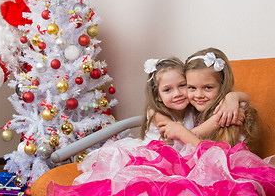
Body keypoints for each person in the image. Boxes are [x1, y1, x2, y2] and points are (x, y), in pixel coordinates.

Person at [47, 51, 275, 195]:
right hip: (154, 158)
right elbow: (189, 139)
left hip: (199, 160)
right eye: (169, 89)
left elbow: (199, 140)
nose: (185, 94)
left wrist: (233, 97)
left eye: (183, 86)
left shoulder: (218, 111)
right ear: (157, 96)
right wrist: (181, 130)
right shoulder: (157, 113)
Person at [158, 48, 260, 153]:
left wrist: (182, 133)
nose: (199, 95)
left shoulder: (230, 113)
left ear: (222, 86)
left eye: (208, 87)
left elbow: (214, 160)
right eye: (192, 87)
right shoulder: (192, 110)